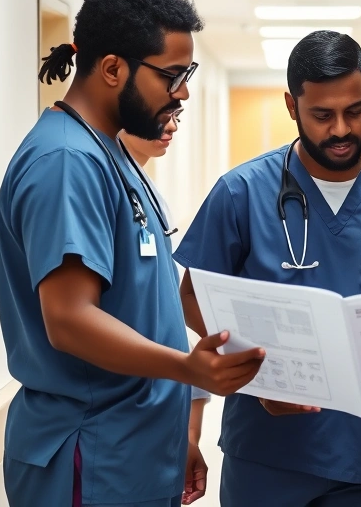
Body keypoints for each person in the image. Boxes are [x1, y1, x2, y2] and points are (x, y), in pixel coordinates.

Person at [0, 0, 264, 507]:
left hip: (135, 451)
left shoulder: (113, 154)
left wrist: (180, 431)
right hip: (91, 457)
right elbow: (69, 319)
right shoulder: (66, 162)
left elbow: (148, 306)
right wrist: (186, 368)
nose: (183, 91)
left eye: (188, 73)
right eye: (172, 75)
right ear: (113, 68)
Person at [173, 30, 361, 507]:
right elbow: (192, 298)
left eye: (355, 111)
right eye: (321, 115)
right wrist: (257, 371)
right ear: (292, 107)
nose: (340, 129)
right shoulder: (240, 192)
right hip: (267, 447)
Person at [117, 112, 214, 505]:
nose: (173, 125)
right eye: (163, 114)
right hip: (117, 436)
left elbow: (173, 325)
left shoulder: (150, 195)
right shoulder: (82, 173)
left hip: (160, 433)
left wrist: (189, 435)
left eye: (178, 116)